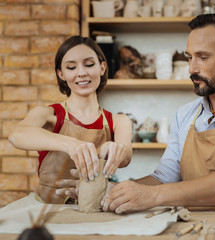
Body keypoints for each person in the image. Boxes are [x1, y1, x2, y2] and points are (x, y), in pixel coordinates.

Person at [99, 13, 215, 213]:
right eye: (190, 57)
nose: (191, 69)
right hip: (193, 229)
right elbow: (164, 178)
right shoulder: (185, 115)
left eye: (203, 57)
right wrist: (108, 192)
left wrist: (152, 196)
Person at [8, 36, 133, 204]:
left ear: (102, 68)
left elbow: (126, 158)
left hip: (95, 210)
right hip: (48, 209)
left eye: (89, 64)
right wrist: (71, 144)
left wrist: (113, 149)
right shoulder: (49, 115)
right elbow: (17, 135)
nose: (81, 73)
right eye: (71, 67)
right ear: (61, 74)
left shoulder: (118, 121)